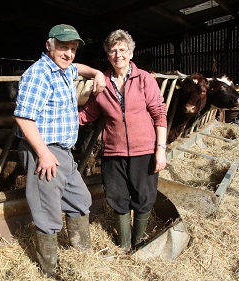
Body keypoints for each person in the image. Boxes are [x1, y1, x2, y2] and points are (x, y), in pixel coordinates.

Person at [13, 24, 106, 277]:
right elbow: (24, 118)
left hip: (63, 152)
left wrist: (97, 72)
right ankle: (49, 271)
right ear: (49, 45)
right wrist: (43, 153)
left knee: (80, 201)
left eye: (73, 49)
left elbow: (80, 68)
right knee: (48, 213)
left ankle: (81, 259)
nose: (69, 53)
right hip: (43, 151)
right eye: (63, 47)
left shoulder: (65, 70)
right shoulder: (39, 74)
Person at [79, 29, 167, 252]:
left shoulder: (144, 79)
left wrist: (161, 149)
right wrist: (58, 118)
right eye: (112, 51)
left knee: (144, 197)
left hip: (144, 150)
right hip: (113, 152)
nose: (118, 54)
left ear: (131, 53)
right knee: (117, 197)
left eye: (122, 50)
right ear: (107, 55)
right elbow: (88, 114)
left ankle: (138, 243)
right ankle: (125, 245)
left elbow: (159, 114)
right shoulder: (102, 84)